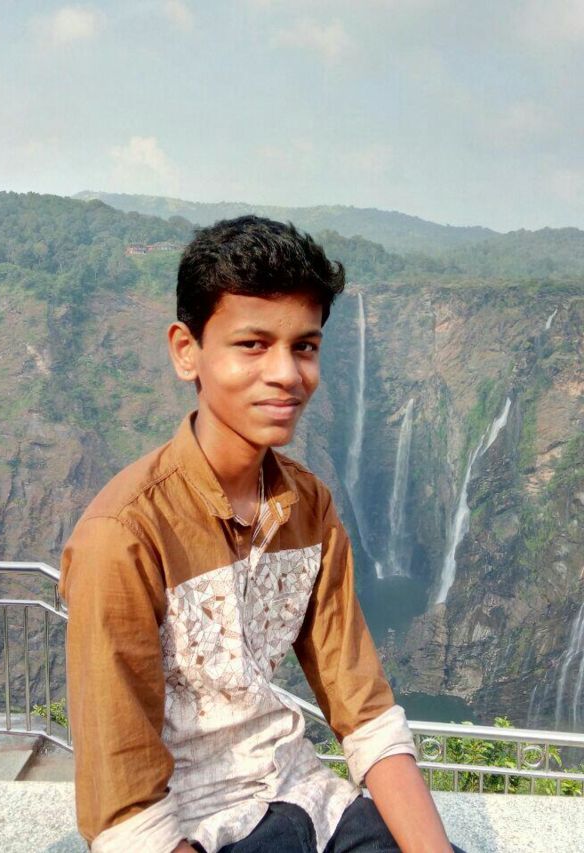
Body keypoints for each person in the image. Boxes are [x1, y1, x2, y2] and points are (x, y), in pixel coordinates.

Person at [60, 216, 463, 853]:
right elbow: (125, 803)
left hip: (305, 795)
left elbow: (362, 710)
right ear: (186, 350)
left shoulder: (309, 507)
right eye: (252, 344)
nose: (287, 374)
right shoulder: (123, 537)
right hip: (192, 824)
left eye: (304, 346)